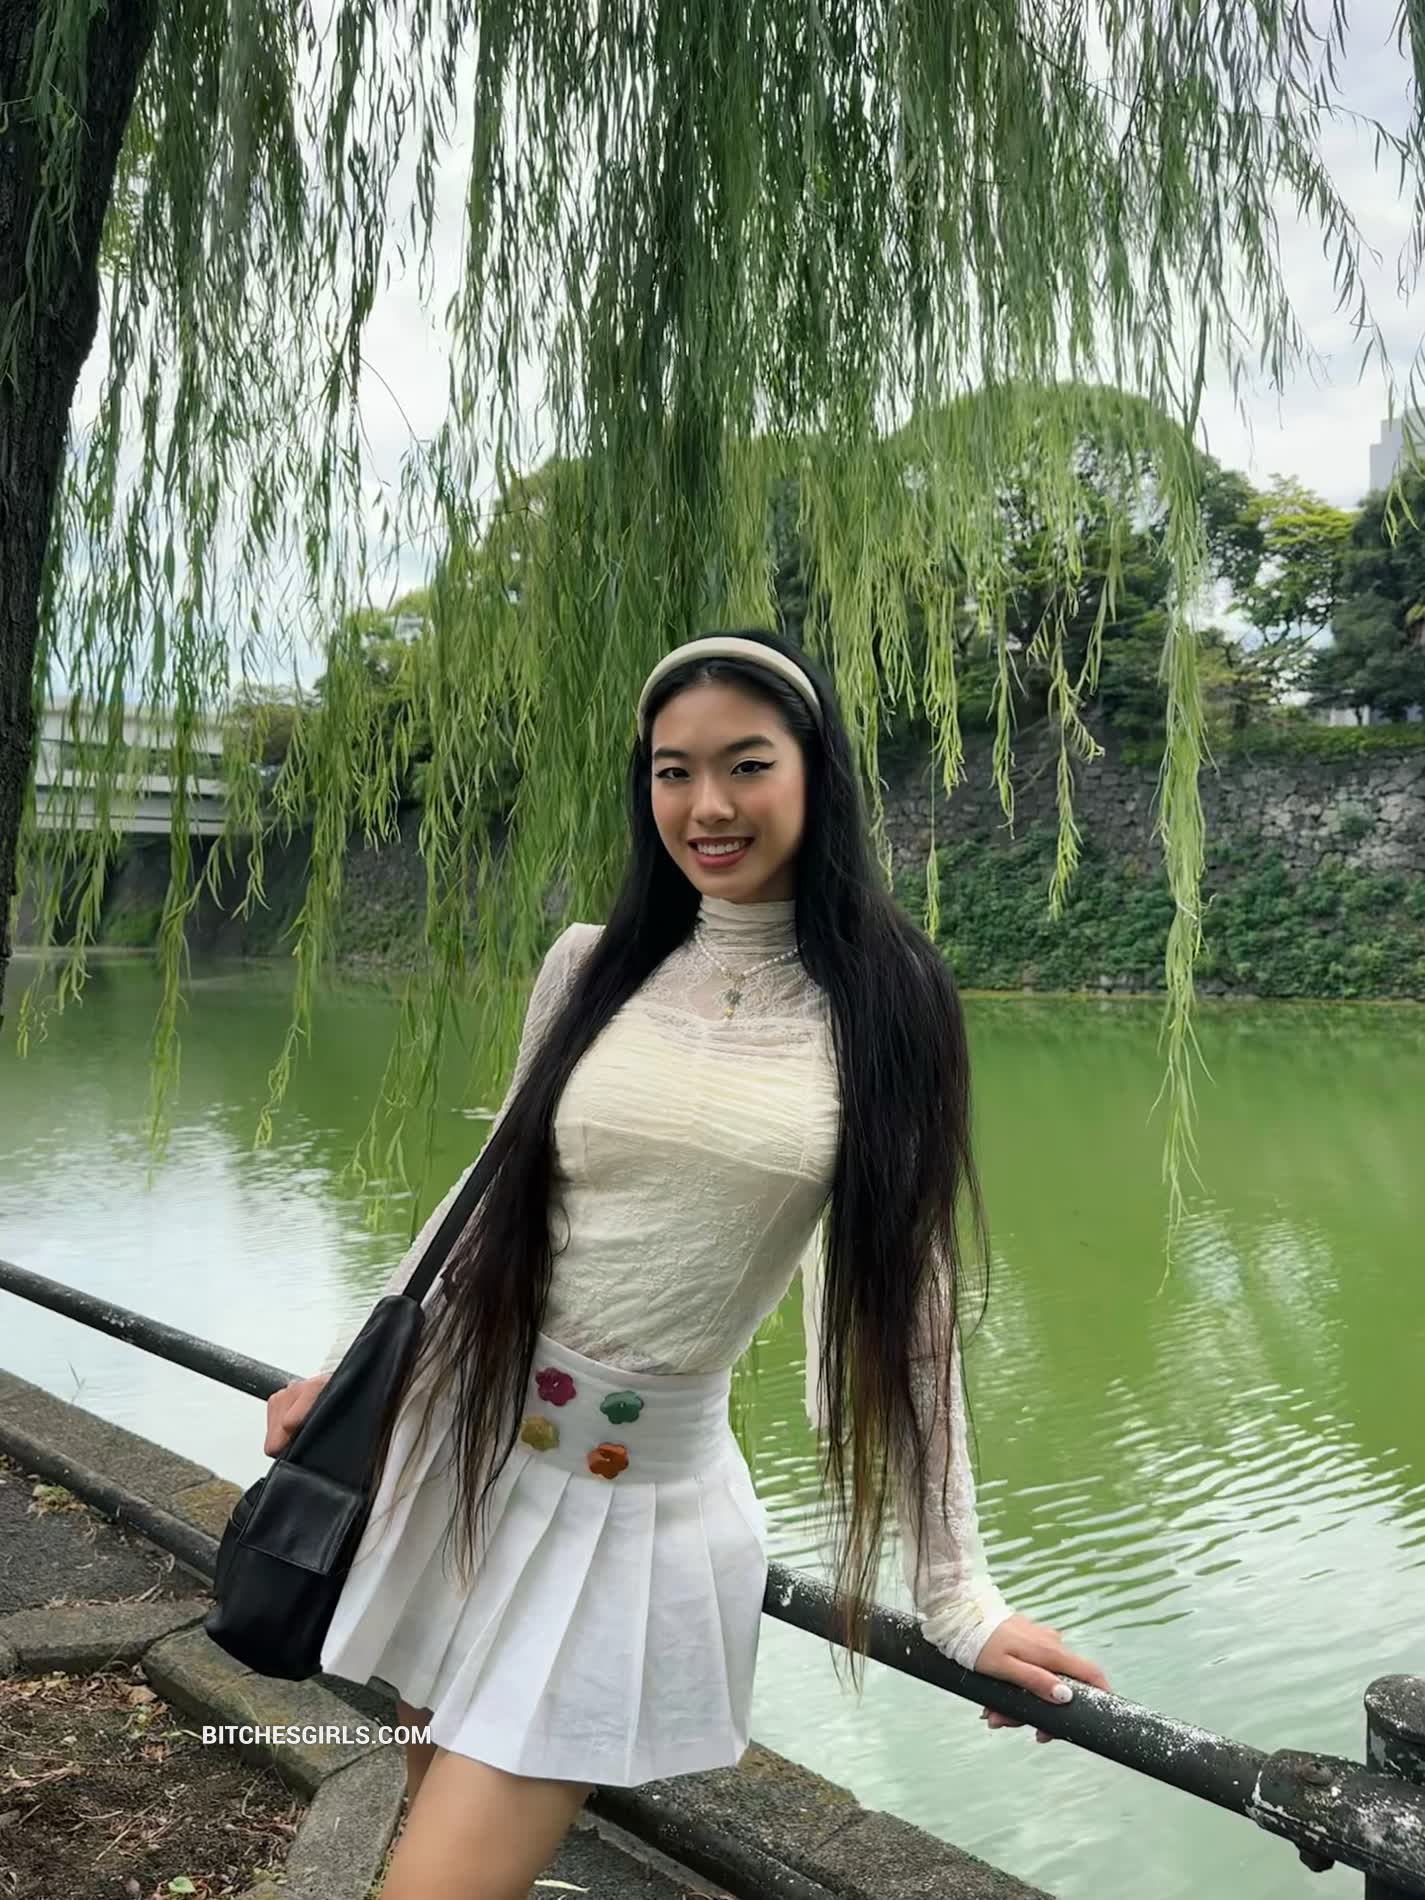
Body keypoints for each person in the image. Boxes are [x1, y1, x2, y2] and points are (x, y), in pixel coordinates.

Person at [265, 629, 1111, 1899]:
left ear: (816, 773)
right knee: (428, 1810)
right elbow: (484, 1201)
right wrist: (349, 1375)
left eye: (745, 764)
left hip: (632, 1508)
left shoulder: (889, 1003)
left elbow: (912, 1310)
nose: (707, 805)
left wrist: (958, 1597)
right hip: (461, 1444)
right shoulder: (590, 963)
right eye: (674, 771)